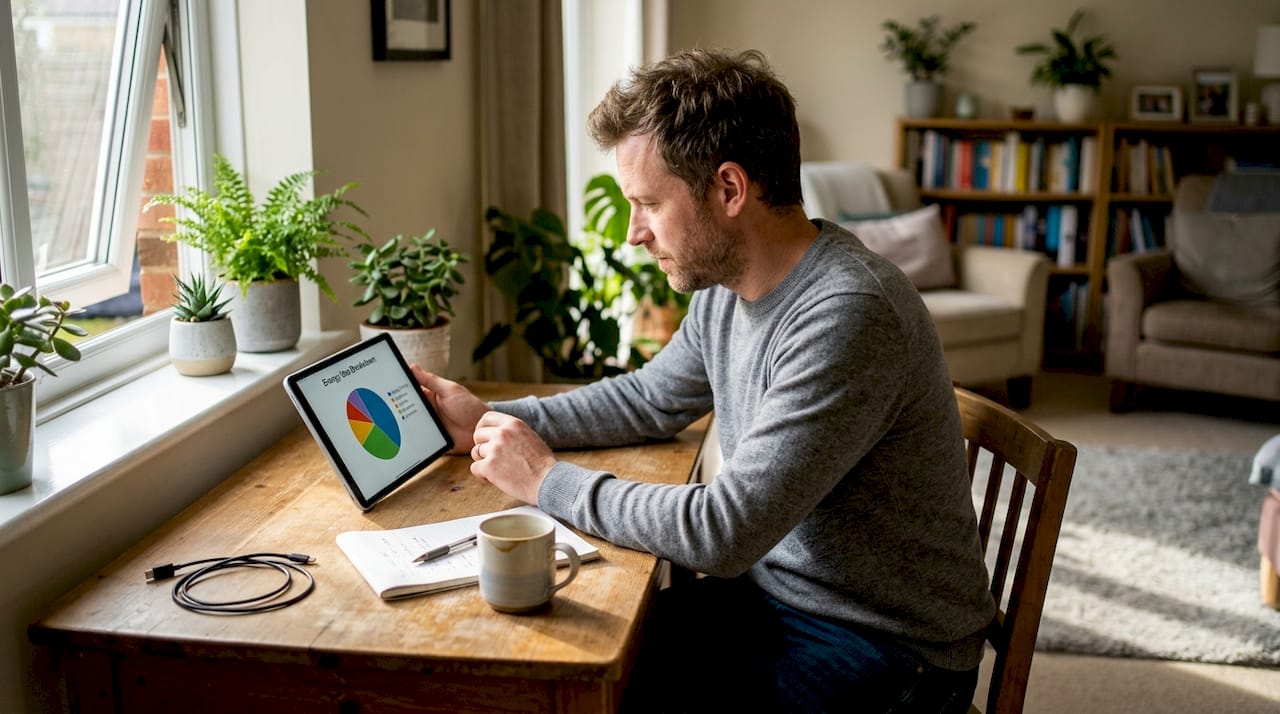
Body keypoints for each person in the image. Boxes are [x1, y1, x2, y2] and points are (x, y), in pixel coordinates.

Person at [414, 47, 995, 713]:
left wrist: (544, 479)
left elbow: (722, 532)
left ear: (728, 189)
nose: (634, 233)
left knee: (604, 684)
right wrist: (487, 418)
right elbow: (649, 397)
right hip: (780, 595)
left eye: (648, 204)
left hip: (888, 649)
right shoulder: (729, 285)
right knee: (566, 665)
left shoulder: (849, 314)